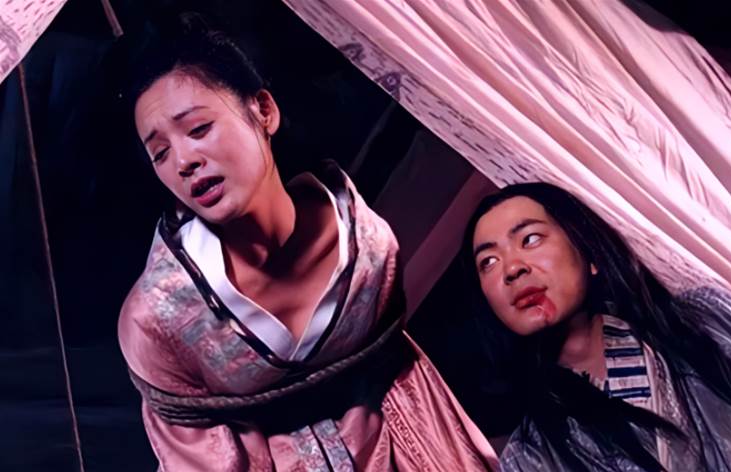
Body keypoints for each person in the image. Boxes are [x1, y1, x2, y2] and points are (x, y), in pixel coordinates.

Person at [116, 16, 497, 471]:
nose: (183, 160)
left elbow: (413, 399)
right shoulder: (157, 320)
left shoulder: (369, 251)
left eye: (198, 129)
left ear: (264, 110)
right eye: (159, 153)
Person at [462, 182, 731, 471]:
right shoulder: (533, 456)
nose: (512, 268)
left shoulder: (714, 323)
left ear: (589, 254)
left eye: (530, 239)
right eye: (489, 262)